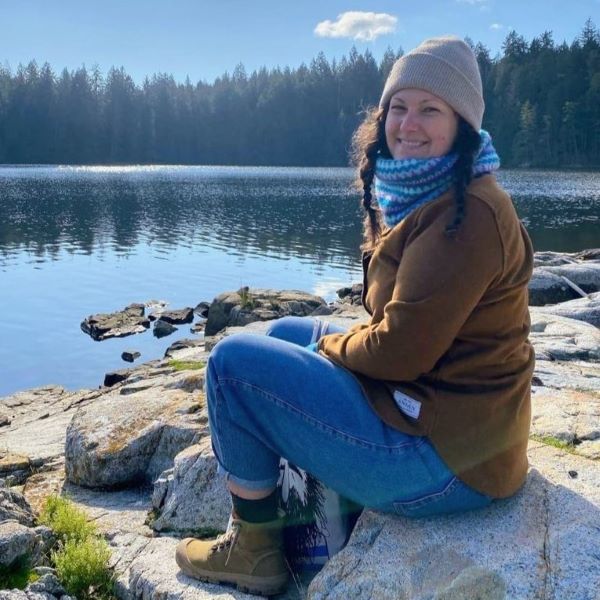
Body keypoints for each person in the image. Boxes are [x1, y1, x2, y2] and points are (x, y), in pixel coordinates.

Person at [175, 35, 534, 596]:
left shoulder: (466, 216)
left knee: (231, 363)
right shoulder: (445, 191)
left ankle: (253, 549)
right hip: (457, 422)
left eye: (430, 109)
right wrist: (325, 348)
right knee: (285, 331)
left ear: (462, 123)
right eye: (398, 106)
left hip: (448, 464)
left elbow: (398, 352)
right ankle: (314, 512)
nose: (407, 124)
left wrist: (330, 350)